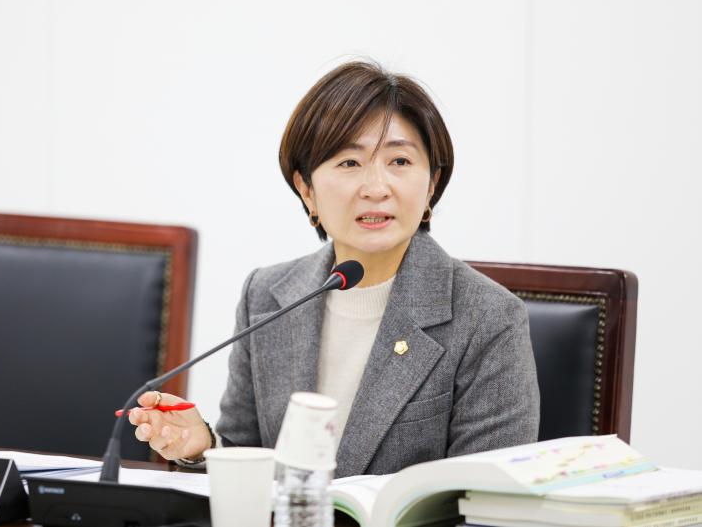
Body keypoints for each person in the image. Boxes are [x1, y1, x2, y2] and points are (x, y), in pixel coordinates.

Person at [128, 61, 540, 477]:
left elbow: (487, 496)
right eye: (349, 163)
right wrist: (204, 447)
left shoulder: (488, 318)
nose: (376, 188)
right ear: (306, 189)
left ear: (432, 183)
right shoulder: (267, 295)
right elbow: (247, 456)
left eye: (399, 161)